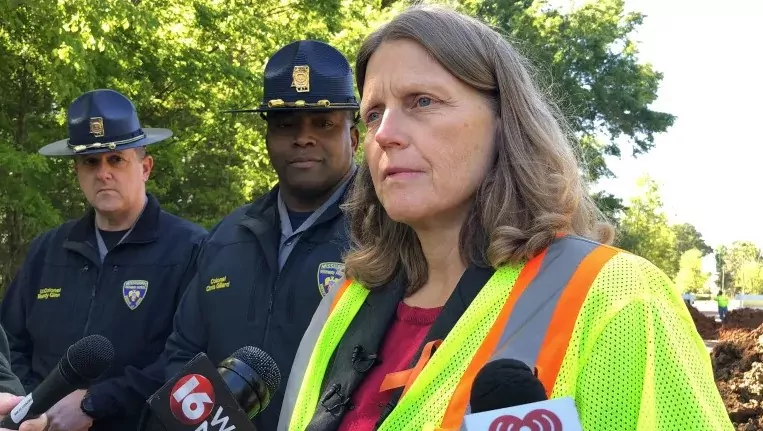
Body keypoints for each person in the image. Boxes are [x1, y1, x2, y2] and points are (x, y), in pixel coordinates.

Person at [278, 6, 734, 431]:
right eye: (374, 114)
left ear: (504, 120)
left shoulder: (617, 295)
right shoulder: (344, 301)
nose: (385, 135)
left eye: (422, 102)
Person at [160, 39, 359, 431]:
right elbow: (183, 353)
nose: (303, 138)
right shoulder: (226, 237)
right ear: (267, 137)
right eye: (285, 124)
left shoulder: (387, 234)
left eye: (323, 123)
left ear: (353, 138)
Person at [0, 89, 207, 431]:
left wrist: (95, 402)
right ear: (77, 171)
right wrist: (32, 404)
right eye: (90, 162)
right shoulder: (48, 250)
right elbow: (10, 342)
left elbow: (187, 359)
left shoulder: (190, 249)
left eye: (116, 159)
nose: (103, 173)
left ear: (145, 168)